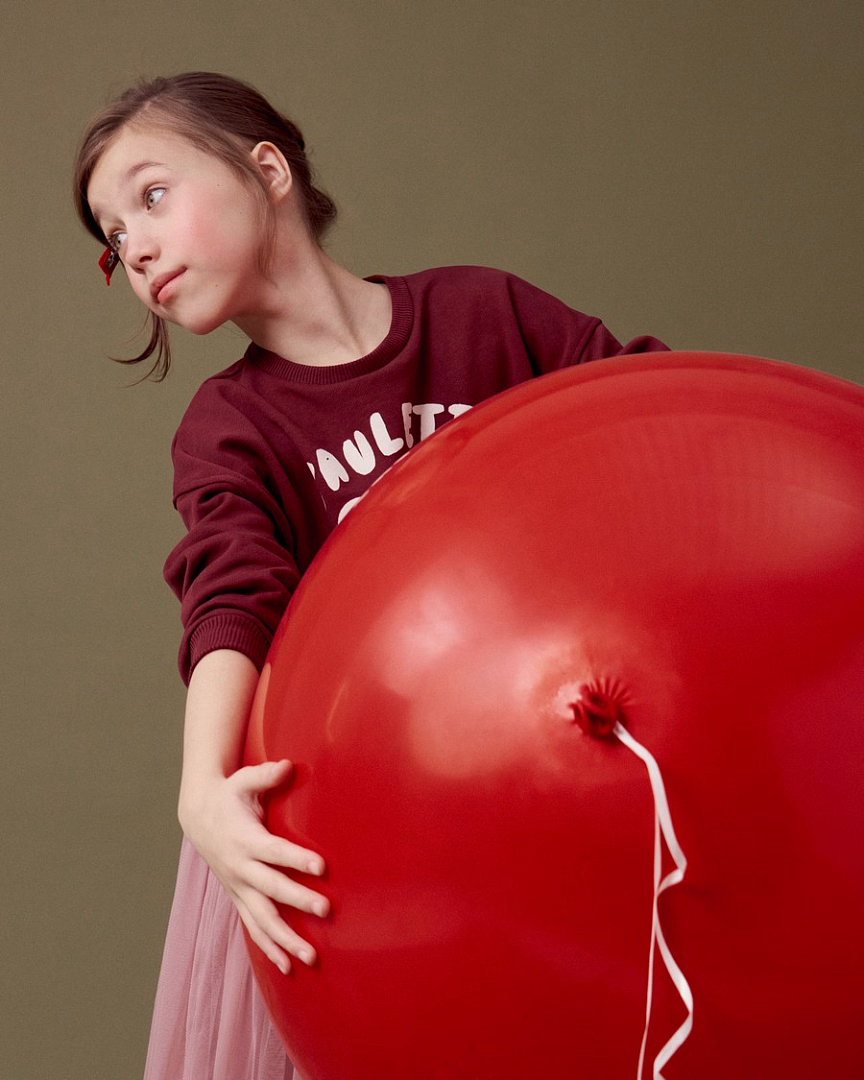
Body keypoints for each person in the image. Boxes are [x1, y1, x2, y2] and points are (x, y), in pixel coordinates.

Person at [75, 71, 668, 1080]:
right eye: (112, 236)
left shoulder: (483, 313)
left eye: (152, 195)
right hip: (392, 837)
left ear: (267, 169)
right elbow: (233, 595)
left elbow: (649, 414)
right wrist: (200, 788)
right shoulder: (230, 428)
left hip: (582, 780)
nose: (134, 247)